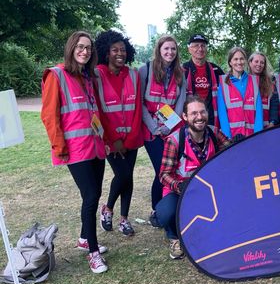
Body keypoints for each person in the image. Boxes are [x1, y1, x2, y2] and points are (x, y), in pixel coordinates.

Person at [41, 31, 108, 274]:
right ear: (71, 48)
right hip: (75, 150)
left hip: (95, 147)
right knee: (91, 197)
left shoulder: (89, 77)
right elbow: (49, 115)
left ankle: (84, 238)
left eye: (88, 48)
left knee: (95, 193)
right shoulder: (56, 75)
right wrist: (60, 148)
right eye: (80, 47)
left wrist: (104, 139)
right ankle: (92, 252)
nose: (84, 51)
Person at [157, 95, 231, 259]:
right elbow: (163, 175)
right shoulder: (175, 140)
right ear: (185, 117)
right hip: (181, 190)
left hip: (208, 189)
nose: (199, 117)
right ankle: (174, 237)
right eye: (194, 113)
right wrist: (178, 186)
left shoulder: (214, 132)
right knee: (166, 212)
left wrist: (239, 143)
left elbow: (232, 153)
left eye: (202, 112)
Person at [94, 30, 143, 237]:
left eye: (123, 50)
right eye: (115, 50)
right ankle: (108, 208)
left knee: (128, 177)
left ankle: (124, 218)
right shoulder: (97, 75)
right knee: (122, 175)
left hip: (131, 138)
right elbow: (99, 110)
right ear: (106, 52)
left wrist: (130, 139)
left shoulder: (133, 74)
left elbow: (137, 108)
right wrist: (114, 140)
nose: (119, 53)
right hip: (110, 140)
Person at [139, 35, 187, 227]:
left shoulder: (180, 73)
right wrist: (154, 126)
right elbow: (140, 103)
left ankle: (163, 209)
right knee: (161, 169)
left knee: (169, 169)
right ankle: (157, 210)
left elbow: (180, 103)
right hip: (150, 131)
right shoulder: (145, 70)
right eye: (166, 48)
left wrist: (168, 126)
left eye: (173, 49)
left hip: (172, 130)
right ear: (159, 49)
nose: (170, 52)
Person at [217, 47, 263, 138]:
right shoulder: (223, 83)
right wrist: (228, 138)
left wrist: (258, 135)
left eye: (241, 59)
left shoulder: (254, 81)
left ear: (245, 61)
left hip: (252, 135)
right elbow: (222, 114)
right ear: (230, 62)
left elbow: (259, 112)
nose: (239, 62)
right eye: (236, 59)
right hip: (233, 137)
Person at [183, 34, 224, 127]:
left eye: (203, 46)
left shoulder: (215, 70)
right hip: (191, 118)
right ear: (189, 49)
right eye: (196, 45)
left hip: (212, 117)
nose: (200, 49)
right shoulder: (182, 70)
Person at [247, 52, 279, 128]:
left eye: (262, 63)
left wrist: (272, 122)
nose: (259, 64)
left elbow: (274, 105)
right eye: (256, 61)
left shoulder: (270, 83)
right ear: (250, 63)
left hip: (266, 127)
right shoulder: (243, 81)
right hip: (248, 128)